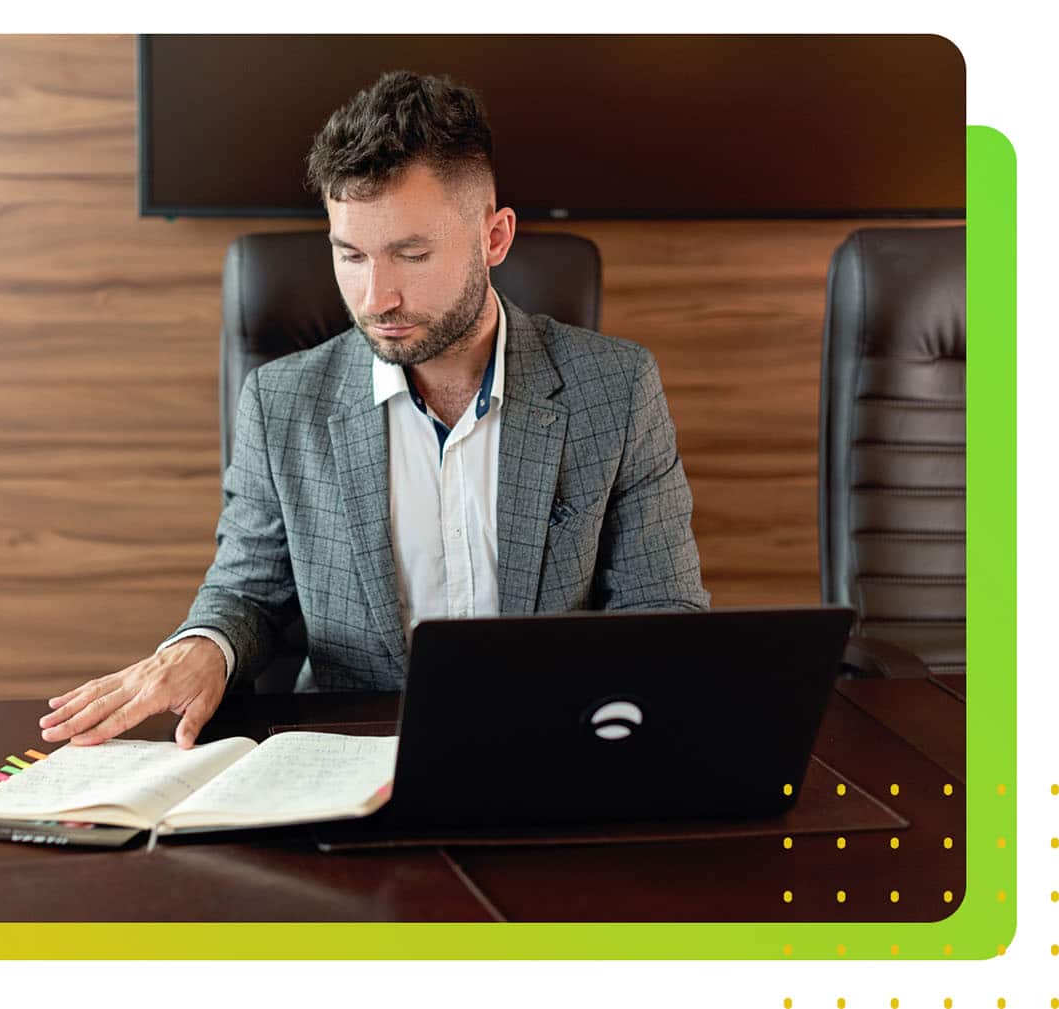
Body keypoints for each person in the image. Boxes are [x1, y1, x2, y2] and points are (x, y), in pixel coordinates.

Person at [40, 70, 710, 751]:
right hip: (348, 756)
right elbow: (246, 595)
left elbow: (664, 614)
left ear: (495, 239)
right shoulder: (282, 403)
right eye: (350, 255)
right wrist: (204, 647)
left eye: (411, 254)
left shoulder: (616, 388)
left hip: (550, 750)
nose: (375, 297)